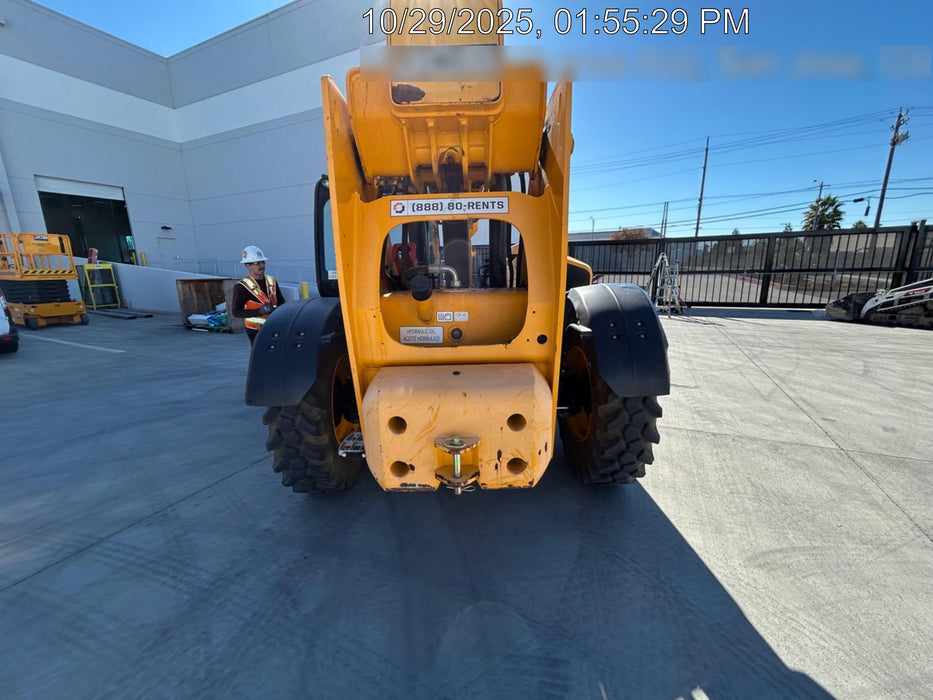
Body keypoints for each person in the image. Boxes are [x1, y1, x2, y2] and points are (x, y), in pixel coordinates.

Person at [231, 245, 286, 344]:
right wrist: (259, 311)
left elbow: (281, 300)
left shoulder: (271, 280)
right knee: (261, 353)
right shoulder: (241, 286)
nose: (261, 266)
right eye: (257, 263)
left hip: (275, 325)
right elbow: (236, 312)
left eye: (263, 262)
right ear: (247, 266)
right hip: (255, 330)